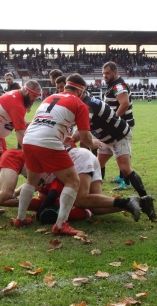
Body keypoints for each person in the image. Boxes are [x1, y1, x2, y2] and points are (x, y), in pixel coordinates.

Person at [13, 74, 101, 236]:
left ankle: (20, 218)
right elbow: (85, 136)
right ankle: (61, 224)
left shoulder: (49, 98)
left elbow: (40, 121)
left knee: (32, 180)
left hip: (29, 138)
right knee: (73, 181)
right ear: (80, 91)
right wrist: (93, 143)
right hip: (48, 141)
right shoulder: (79, 103)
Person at [76, 92, 157, 221]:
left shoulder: (87, 105)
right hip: (106, 137)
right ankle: (97, 200)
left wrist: (67, 138)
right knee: (98, 165)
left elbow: (80, 132)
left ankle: (146, 200)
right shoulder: (84, 102)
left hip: (119, 136)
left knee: (124, 168)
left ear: (80, 91)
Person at [0, 80, 42, 201]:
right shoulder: (17, 104)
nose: (34, 99)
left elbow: (19, 122)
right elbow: (20, 134)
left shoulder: (18, 97)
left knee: (2, 166)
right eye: (33, 96)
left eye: (37, 97)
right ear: (26, 91)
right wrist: (30, 153)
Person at [102, 61, 134, 190]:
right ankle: (122, 177)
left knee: (122, 152)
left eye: (108, 73)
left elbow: (124, 104)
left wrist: (113, 120)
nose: (105, 75)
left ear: (115, 72)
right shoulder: (113, 84)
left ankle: (126, 182)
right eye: (104, 73)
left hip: (122, 125)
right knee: (119, 152)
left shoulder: (118, 86)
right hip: (119, 125)